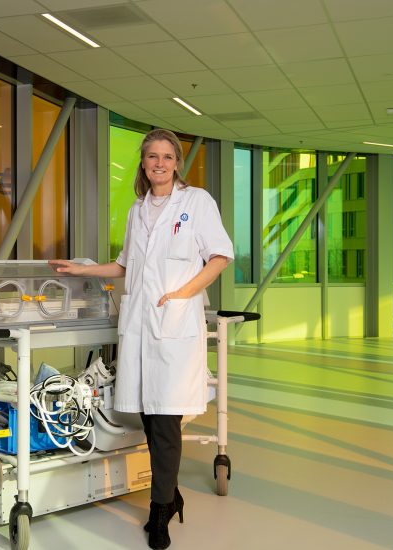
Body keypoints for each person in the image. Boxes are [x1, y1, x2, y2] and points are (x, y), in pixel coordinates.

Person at [50, 129, 233, 550]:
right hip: (139, 326)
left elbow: (220, 256)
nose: (159, 163)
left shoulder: (196, 202)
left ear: (177, 162)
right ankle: (171, 494)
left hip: (174, 324)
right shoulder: (137, 209)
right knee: (150, 416)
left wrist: (183, 294)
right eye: (152, 156)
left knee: (165, 419)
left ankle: (159, 509)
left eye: (167, 156)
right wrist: (81, 270)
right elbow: (124, 266)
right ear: (144, 163)